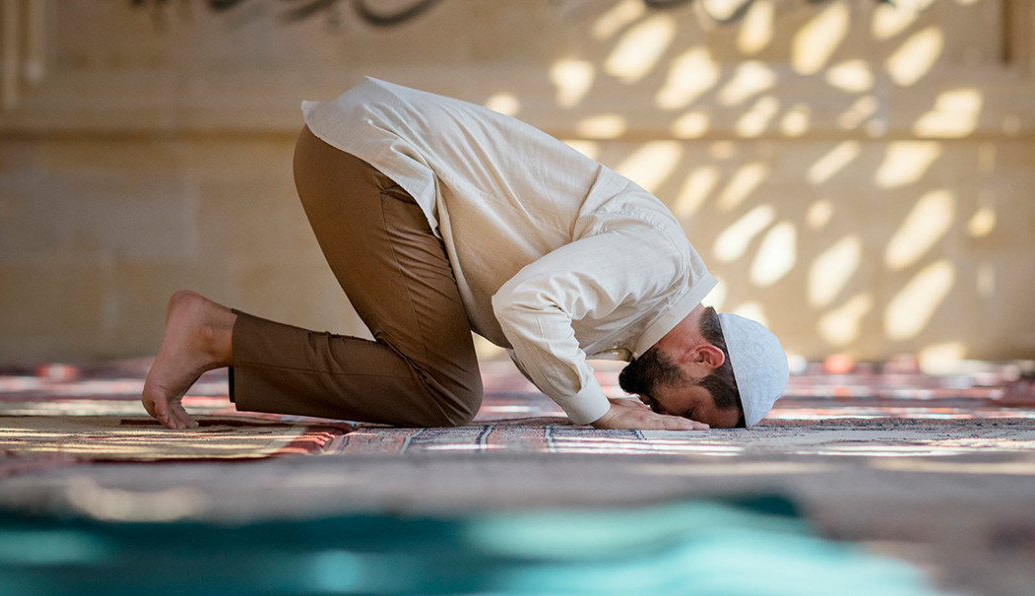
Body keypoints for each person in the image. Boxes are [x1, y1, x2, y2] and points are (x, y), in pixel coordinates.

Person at [142, 77, 789, 431]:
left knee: (443, 391)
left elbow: (530, 324)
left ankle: (218, 336)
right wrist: (597, 413)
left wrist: (594, 400)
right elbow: (527, 304)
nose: (669, 417)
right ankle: (211, 335)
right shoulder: (657, 263)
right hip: (376, 157)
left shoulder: (640, 310)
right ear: (704, 357)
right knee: (444, 394)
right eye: (695, 410)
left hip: (368, 155)